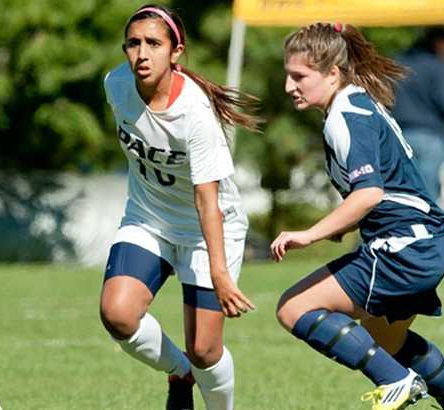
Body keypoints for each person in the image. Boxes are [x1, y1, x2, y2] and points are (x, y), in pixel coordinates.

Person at [270, 23, 444, 410]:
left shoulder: (345, 116)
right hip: (425, 241)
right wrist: (346, 224)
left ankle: (396, 381)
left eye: (299, 76)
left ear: (332, 73)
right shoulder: (355, 102)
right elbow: (384, 190)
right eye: (288, 74)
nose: (289, 86)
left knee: (293, 307)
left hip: (404, 246)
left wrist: (311, 234)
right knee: (388, 343)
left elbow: (370, 193)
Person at [98, 4, 260, 410]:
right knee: (117, 313)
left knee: (206, 350)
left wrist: (220, 273)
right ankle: (179, 370)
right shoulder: (115, 85)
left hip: (206, 232)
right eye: (133, 44)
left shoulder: (195, 114)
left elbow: (208, 202)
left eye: (154, 43)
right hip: (148, 219)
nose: (142, 53)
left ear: (176, 52)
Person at [392, 26, 444, 201]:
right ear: (439, 43)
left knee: (403, 190)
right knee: (429, 192)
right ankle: (428, 227)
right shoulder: (436, 66)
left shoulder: (397, 62)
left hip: (398, 134)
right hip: (430, 134)